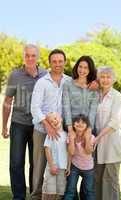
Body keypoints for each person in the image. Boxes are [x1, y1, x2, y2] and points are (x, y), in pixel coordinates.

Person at [1, 44, 47, 200]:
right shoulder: (15, 75)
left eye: (33, 55)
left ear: (38, 57)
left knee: (36, 163)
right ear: (23, 57)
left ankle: (35, 195)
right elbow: (7, 101)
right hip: (18, 123)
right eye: (27, 55)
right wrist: (4, 126)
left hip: (38, 126)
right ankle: (18, 196)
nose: (30, 58)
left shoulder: (45, 75)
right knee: (16, 162)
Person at [30, 49, 70, 200]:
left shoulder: (69, 81)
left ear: (65, 62)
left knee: (61, 165)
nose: (57, 64)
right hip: (42, 130)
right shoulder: (42, 82)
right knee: (40, 167)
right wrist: (47, 125)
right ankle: (36, 197)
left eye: (60, 61)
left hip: (62, 132)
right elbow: (35, 107)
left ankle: (60, 196)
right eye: (54, 61)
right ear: (50, 63)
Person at [62, 55, 99, 199]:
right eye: (80, 67)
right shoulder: (68, 85)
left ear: (90, 70)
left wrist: (88, 132)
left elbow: (93, 110)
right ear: (76, 67)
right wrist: (70, 129)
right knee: (71, 166)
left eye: (86, 68)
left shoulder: (94, 87)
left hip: (88, 129)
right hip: (71, 127)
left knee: (86, 165)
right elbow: (66, 107)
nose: (82, 70)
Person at [94, 66, 121, 200]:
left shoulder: (116, 96)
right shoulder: (96, 95)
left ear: (113, 79)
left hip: (112, 143)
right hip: (97, 143)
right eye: (102, 76)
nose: (105, 79)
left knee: (110, 179)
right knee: (97, 179)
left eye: (108, 77)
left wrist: (98, 137)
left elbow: (115, 122)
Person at [64, 114, 95, 200]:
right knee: (70, 190)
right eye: (77, 122)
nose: (80, 124)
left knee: (89, 191)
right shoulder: (70, 137)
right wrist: (69, 167)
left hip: (88, 168)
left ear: (87, 126)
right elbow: (71, 153)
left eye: (83, 122)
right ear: (73, 124)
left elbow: (88, 151)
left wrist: (87, 138)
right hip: (75, 166)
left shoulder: (91, 137)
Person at [42, 112, 68, 200]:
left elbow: (69, 153)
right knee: (49, 192)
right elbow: (47, 149)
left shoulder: (66, 135)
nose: (54, 121)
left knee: (59, 193)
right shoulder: (51, 135)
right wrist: (52, 165)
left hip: (62, 169)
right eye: (51, 121)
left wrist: (68, 167)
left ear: (61, 118)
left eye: (55, 118)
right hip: (52, 167)